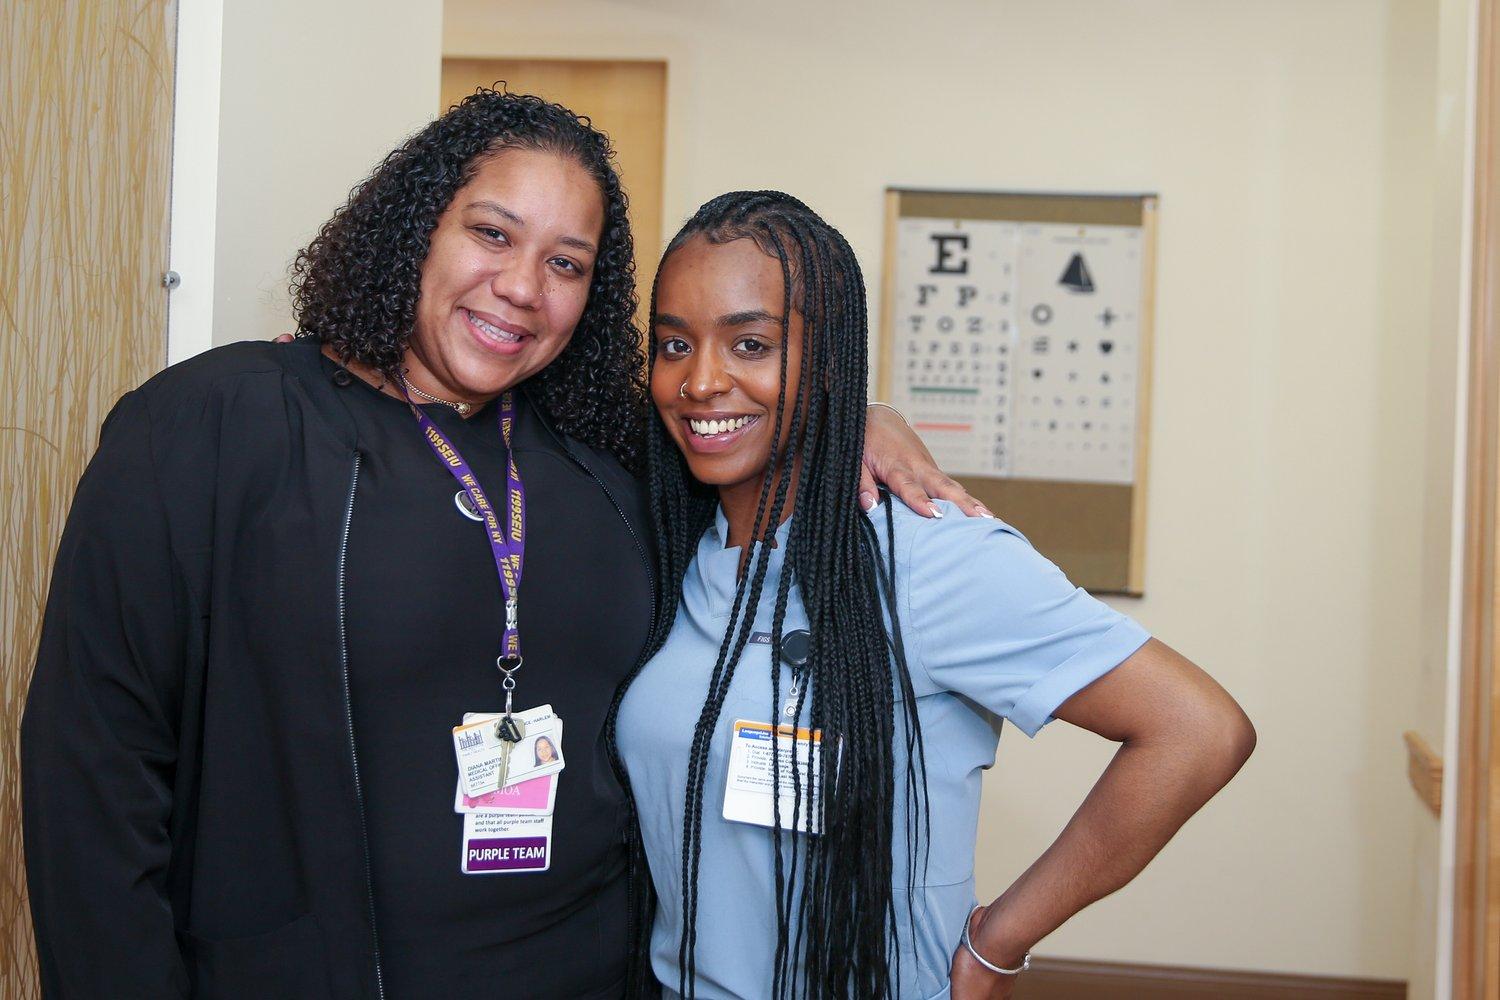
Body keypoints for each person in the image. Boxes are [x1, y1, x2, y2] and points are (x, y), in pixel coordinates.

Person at [20, 93, 983, 999]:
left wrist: (853, 411)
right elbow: (95, 765)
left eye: (567, 263)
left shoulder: (609, 463)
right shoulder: (222, 423)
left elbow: (740, 413)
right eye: (492, 233)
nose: (521, 288)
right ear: (415, 230)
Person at [612, 191, 1256, 999]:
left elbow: (1198, 730)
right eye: (674, 344)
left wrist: (1001, 941)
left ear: (831, 358)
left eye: (751, 343)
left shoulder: (925, 557)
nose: (702, 380)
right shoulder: (672, 549)